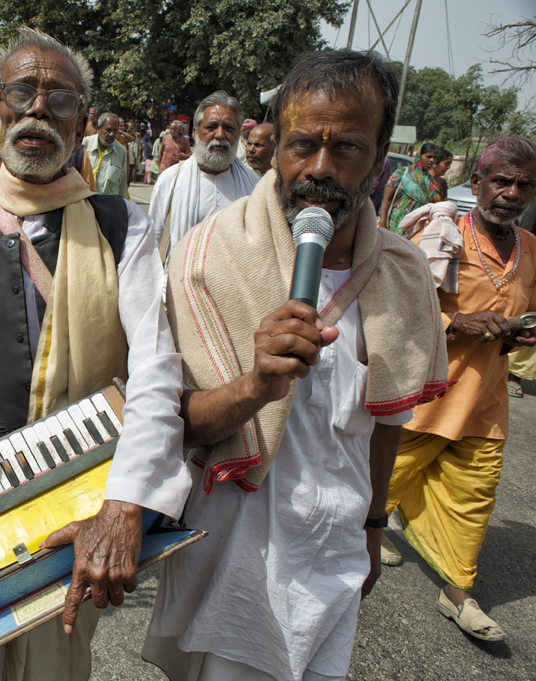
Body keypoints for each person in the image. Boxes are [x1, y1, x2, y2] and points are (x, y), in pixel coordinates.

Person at [145, 48, 451, 681]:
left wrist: (372, 526)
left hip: (332, 549)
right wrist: (257, 385)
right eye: (301, 143)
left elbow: (387, 417)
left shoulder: (403, 272)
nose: (319, 168)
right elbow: (175, 423)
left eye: (347, 148)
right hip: (229, 546)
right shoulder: (209, 257)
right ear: (274, 143)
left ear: (379, 156)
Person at [0, 26, 187, 681]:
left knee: (55, 661)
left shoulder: (121, 225)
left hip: (78, 498)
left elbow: (156, 369)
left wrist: (126, 504)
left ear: (81, 120)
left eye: (58, 99)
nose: (37, 110)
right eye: (22, 93)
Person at [383, 136, 536, 643]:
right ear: (477, 184)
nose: (512, 193)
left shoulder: (532, 249)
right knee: (380, 481)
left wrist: (524, 332)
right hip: (426, 396)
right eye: (502, 181)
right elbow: (398, 306)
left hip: (485, 400)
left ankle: (458, 593)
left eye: (524, 185)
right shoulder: (440, 232)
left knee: (475, 498)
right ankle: (370, 529)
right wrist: (455, 322)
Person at [150, 91, 260, 258]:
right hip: (179, 281)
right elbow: (153, 242)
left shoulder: (252, 183)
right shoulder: (171, 180)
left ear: (238, 134)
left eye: (229, 128)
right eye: (211, 127)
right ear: (194, 133)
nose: (220, 135)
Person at [378, 141, 441, 236]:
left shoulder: (431, 181)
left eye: (434, 158)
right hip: (396, 224)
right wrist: (382, 223)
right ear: (419, 155)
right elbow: (386, 199)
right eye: (428, 156)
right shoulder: (403, 173)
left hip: (416, 229)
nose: (432, 160)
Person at [81, 112, 129, 198]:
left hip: (109, 206)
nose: (112, 134)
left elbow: (122, 184)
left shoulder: (121, 151)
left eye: (115, 131)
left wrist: (123, 206)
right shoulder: (85, 145)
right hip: (86, 204)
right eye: (108, 130)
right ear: (99, 128)